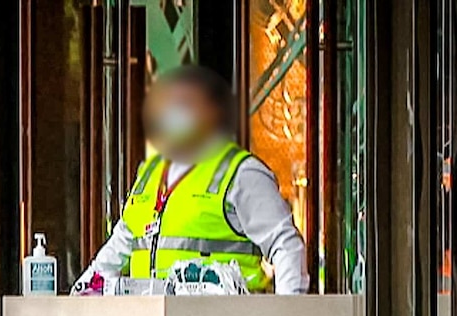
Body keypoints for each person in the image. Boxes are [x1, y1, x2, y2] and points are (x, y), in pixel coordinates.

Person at [73, 65, 309, 294]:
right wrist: (80, 299)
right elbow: (116, 251)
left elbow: (285, 245)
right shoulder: (149, 173)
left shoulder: (241, 172)